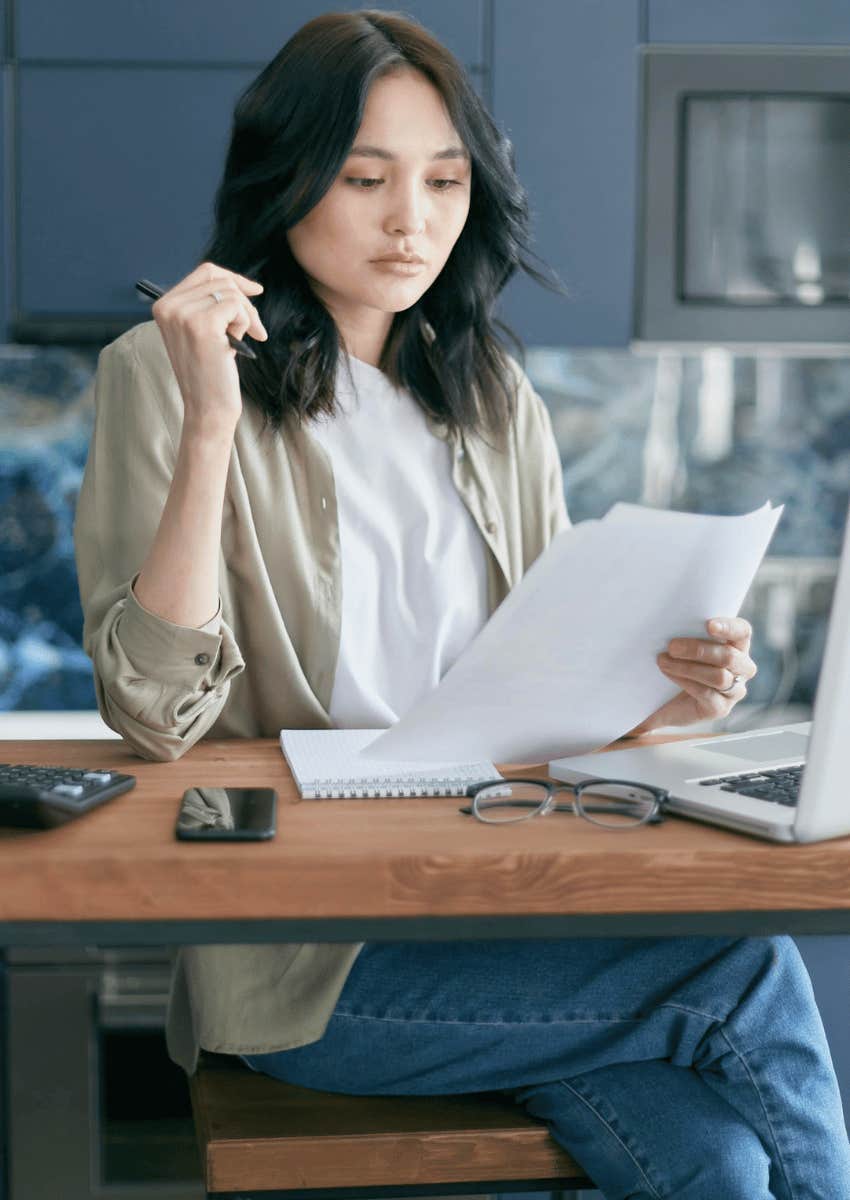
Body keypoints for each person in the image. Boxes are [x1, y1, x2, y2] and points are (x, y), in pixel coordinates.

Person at [73, 10, 850, 1198]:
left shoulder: (487, 389)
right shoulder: (163, 371)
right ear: (285, 181)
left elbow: (547, 695)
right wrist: (215, 421)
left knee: (719, 1160)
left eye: (444, 181)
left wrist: (666, 692)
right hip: (315, 968)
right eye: (365, 178)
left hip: (504, 909)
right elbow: (152, 715)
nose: (412, 221)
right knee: (738, 971)